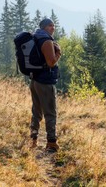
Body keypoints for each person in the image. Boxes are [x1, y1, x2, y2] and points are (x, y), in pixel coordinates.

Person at [29, 18, 61, 152]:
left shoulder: (35, 38)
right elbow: (51, 62)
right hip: (45, 81)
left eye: (53, 25)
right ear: (43, 27)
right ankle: (51, 143)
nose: (52, 28)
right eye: (49, 26)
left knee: (36, 111)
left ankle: (33, 138)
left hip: (35, 79)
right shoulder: (46, 41)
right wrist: (58, 53)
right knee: (50, 113)